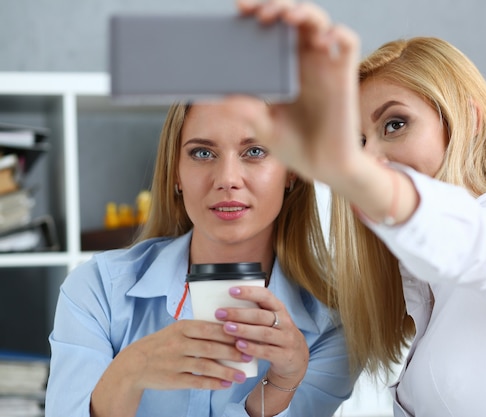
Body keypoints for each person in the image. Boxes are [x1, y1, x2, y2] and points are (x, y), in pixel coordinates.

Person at [239, 1, 486, 416]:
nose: (373, 157)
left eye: (395, 124)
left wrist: (347, 165)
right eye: (360, 141)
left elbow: (465, 237)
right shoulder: (425, 295)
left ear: (466, 121)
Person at [45, 97, 357, 417]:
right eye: (203, 153)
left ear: (291, 171)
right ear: (176, 173)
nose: (227, 179)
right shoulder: (97, 290)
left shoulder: (333, 326)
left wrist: (282, 384)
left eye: (255, 151)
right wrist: (131, 370)